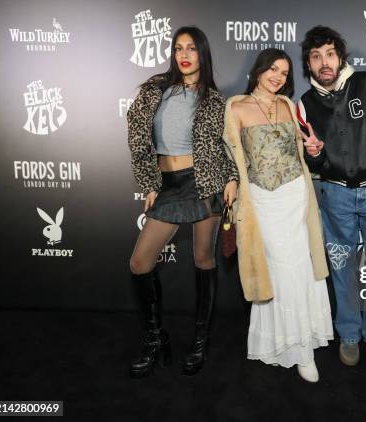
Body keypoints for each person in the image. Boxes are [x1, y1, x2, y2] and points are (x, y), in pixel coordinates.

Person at [126, 26, 238, 378]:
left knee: (203, 257)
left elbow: (228, 143)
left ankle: (200, 341)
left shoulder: (215, 100)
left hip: (204, 182)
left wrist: (232, 177)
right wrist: (150, 182)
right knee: (140, 262)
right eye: (178, 48)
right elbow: (137, 134)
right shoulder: (156, 90)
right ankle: (155, 338)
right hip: (168, 185)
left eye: (191, 48)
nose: (184, 54)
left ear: (202, 53)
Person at [223, 48, 333, 383]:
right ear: (259, 70)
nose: (277, 77)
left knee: (300, 268)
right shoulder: (236, 107)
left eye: (284, 73)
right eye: (272, 69)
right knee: (279, 269)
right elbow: (229, 156)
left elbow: (301, 150)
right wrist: (230, 182)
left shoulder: (288, 105)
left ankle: (304, 347)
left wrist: (314, 149)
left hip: (296, 196)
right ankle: (284, 344)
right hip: (263, 202)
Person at [298, 26, 366, 379]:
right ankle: (350, 336)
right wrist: (314, 157)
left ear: (340, 56)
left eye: (328, 53)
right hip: (335, 194)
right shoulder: (304, 105)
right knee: (342, 268)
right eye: (315, 56)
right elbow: (311, 161)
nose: (324, 62)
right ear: (308, 64)